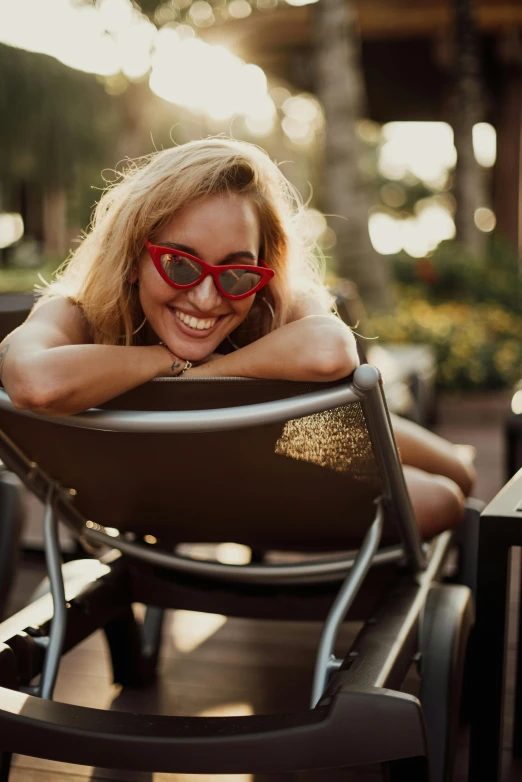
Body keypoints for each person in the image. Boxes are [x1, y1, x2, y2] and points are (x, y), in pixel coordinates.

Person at [0, 137, 474, 537]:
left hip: (300, 440)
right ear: (132, 256)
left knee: (460, 473)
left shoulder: (273, 300)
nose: (207, 299)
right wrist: (166, 361)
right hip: (231, 483)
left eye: (237, 271)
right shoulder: (78, 312)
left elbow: (331, 348)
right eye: (180, 264)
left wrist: (192, 375)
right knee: (443, 498)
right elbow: (33, 382)